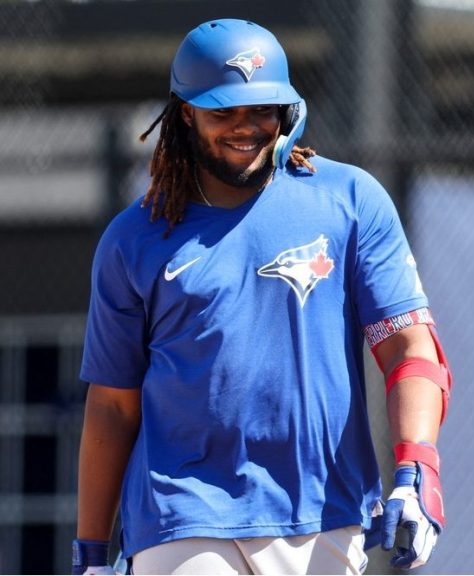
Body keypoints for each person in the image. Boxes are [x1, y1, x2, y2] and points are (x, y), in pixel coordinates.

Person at [72, 18, 451, 575]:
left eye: (261, 110)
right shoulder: (135, 239)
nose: (244, 127)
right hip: (183, 512)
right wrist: (89, 554)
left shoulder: (350, 199)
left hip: (326, 506)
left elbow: (411, 351)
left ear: (287, 111)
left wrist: (417, 473)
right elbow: (112, 405)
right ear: (185, 113)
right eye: (222, 111)